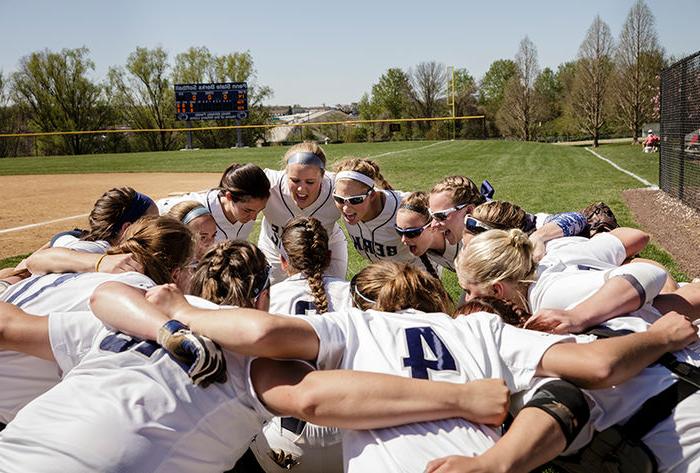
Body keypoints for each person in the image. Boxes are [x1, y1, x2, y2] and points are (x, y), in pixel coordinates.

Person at [0, 241, 513, 472]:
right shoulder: (252, 359)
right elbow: (312, 398)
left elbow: (17, 322)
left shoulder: (119, 316)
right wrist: (463, 396)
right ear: (264, 298)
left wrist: (163, 325)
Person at [136, 261, 695, 472]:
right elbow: (595, 368)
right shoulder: (482, 327)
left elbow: (261, 333)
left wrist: (183, 308)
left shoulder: (357, 326)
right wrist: (665, 333)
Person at [0, 216, 194, 424]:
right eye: (190, 268)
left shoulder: (87, 262)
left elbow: (35, 261)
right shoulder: (140, 301)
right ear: (175, 274)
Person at [253, 216, 351, 472]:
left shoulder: (269, 299)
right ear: (328, 257)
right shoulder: (354, 295)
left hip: (285, 439)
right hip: (349, 435)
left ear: (283, 262)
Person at [0, 187, 158, 288]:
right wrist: (100, 262)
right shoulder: (100, 248)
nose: (156, 230)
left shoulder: (87, 240)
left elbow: (59, 240)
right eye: (152, 222)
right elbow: (37, 260)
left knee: (14, 273)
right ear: (127, 228)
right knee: (15, 275)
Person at [259, 142, 347, 284]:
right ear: (285, 173)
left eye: (310, 182)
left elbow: (373, 195)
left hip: (326, 248)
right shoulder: (267, 183)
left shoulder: (338, 186)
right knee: (272, 296)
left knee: (333, 293)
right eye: (295, 180)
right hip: (276, 248)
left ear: (323, 176)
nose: (301, 189)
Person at [332, 158, 423, 269]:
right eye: (339, 199)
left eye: (355, 200)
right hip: (386, 274)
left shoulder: (404, 208)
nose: (346, 208)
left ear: (372, 195)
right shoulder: (347, 209)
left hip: (419, 272)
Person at [157, 162, 270, 241]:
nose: (254, 218)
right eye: (248, 210)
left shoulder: (246, 214)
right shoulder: (196, 207)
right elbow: (153, 209)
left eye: (259, 210)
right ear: (229, 196)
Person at [395, 192, 458, 278]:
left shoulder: (464, 242)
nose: (403, 240)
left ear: (433, 226)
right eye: (399, 231)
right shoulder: (426, 249)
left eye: (411, 233)